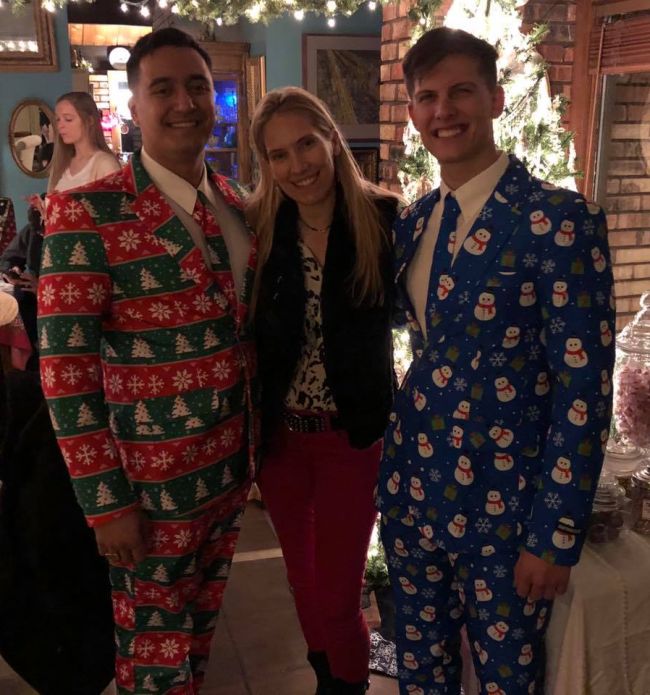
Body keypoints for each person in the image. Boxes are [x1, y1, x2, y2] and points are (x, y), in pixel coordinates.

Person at [377, 27, 615, 694]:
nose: (443, 110)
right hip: (413, 494)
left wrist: (555, 532)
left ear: (496, 98)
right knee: (420, 671)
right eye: (428, 97)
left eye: (461, 92)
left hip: (509, 512)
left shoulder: (559, 221)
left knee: (509, 680)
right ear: (413, 111)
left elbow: (584, 391)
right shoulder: (414, 222)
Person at [37, 27, 257, 694]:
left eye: (197, 86)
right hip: (147, 496)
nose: (184, 102)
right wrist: (105, 504)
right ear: (133, 107)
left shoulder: (236, 203)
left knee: (195, 647)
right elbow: (64, 371)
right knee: (153, 663)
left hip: (228, 476)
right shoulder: (85, 212)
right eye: (163, 89)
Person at [247, 86, 401, 695]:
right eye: (278, 154)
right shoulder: (259, 228)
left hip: (351, 440)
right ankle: (326, 681)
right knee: (304, 585)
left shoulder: (386, 220)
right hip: (283, 443)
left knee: (337, 594)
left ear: (332, 139)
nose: (298, 165)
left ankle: (347, 686)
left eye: (306, 143)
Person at [47, 91, 121, 194]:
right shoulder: (61, 164)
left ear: (90, 120)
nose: (60, 125)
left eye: (68, 119)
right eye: (58, 120)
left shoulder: (105, 165)